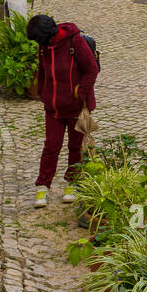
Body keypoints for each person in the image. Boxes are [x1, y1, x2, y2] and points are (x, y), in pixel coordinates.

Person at [27, 14, 99, 208]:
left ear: (47, 35)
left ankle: (71, 184)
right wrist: (43, 92)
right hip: (53, 106)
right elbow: (42, 71)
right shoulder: (45, 46)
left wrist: (80, 92)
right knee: (51, 145)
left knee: (75, 147)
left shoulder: (74, 41)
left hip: (76, 106)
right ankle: (42, 186)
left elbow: (92, 69)